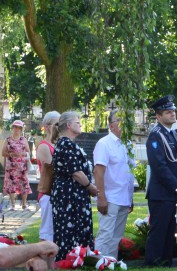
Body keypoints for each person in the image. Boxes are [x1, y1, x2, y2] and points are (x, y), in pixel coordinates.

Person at [51, 111, 97, 261]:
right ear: (69, 125)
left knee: (72, 227)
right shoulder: (66, 144)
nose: (80, 124)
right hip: (69, 195)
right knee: (70, 227)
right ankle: (71, 258)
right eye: (78, 122)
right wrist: (90, 186)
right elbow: (76, 172)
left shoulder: (65, 144)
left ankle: (77, 257)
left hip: (71, 193)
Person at [93, 109, 135, 259]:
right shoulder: (104, 144)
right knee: (105, 233)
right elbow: (98, 172)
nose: (124, 124)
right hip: (110, 197)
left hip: (124, 197)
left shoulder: (128, 144)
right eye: (120, 120)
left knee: (117, 235)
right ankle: (99, 263)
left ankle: (111, 262)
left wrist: (131, 198)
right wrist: (101, 197)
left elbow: (128, 172)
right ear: (111, 126)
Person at [145, 95, 177, 266]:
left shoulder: (173, 133)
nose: (172, 114)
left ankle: (166, 261)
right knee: (159, 230)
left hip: (172, 191)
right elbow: (159, 166)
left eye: (173, 111)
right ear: (159, 116)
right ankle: (153, 261)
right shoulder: (156, 135)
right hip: (161, 192)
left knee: (170, 230)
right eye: (168, 112)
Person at [36, 111, 60, 242]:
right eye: (56, 124)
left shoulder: (58, 144)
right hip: (48, 192)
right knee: (47, 232)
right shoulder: (44, 147)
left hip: (57, 193)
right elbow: (54, 169)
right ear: (46, 126)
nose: (58, 127)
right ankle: (41, 260)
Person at [2, 119, 32, 210]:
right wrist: (11, 154)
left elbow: (28, 152)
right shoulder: (8, 140)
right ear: (12, 128)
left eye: (19, 128)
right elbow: (3, 153)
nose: (17, 129)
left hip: (22, 166)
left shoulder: (24, 140)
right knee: (11, 184)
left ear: (21, 129)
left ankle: (24, 204)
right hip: (11, 166)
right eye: (15, 127)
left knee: (24, 184)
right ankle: (12, 204)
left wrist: (23, 154)